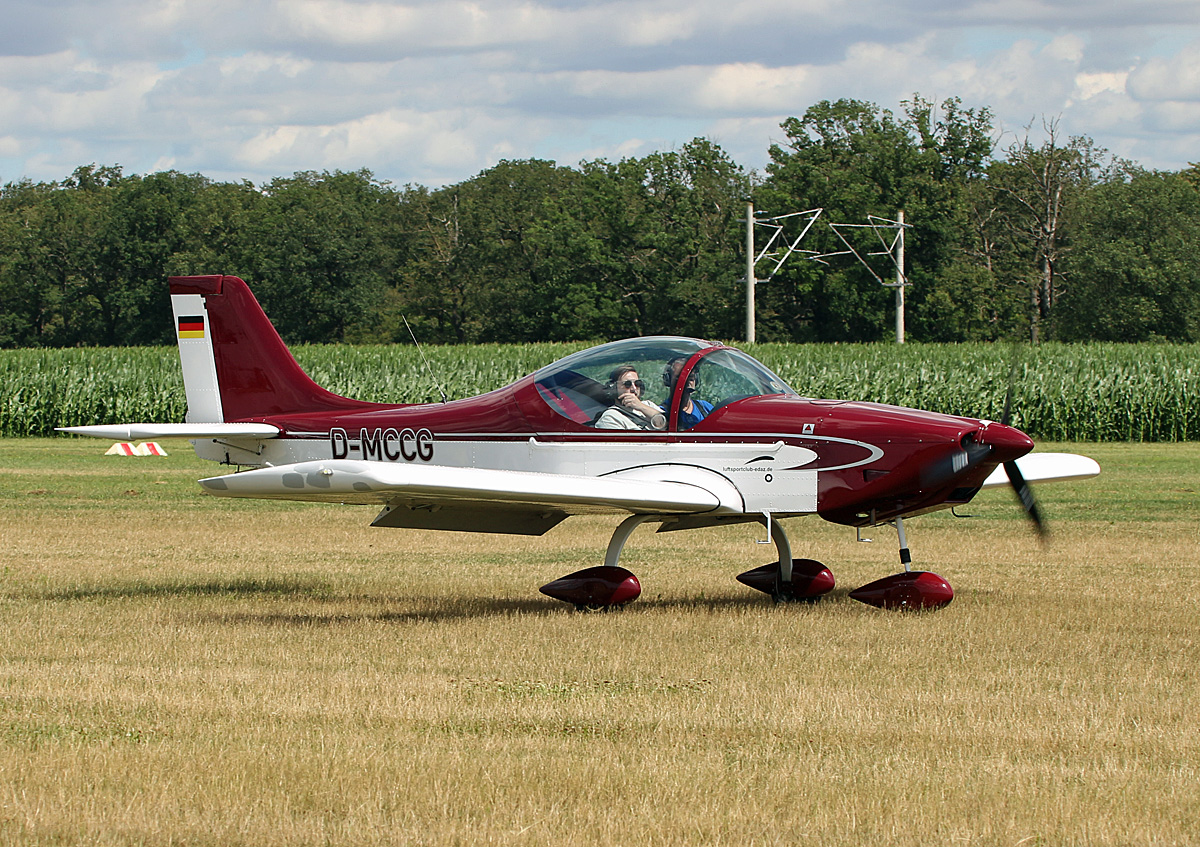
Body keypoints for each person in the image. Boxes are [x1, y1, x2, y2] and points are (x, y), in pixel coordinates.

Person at [594, 366, 666, 430]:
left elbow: (668, 426)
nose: (634, 389)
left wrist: (641, 407)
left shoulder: (648, 405)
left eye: (637, 383)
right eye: (627, 384)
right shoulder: (610, 417)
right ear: (613, 388)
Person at [663, 357, 712, 430]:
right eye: (680, 378)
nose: (687, 382)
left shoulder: (705, 407)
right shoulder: (662, 411)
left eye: (691, 377)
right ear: (668, 380)